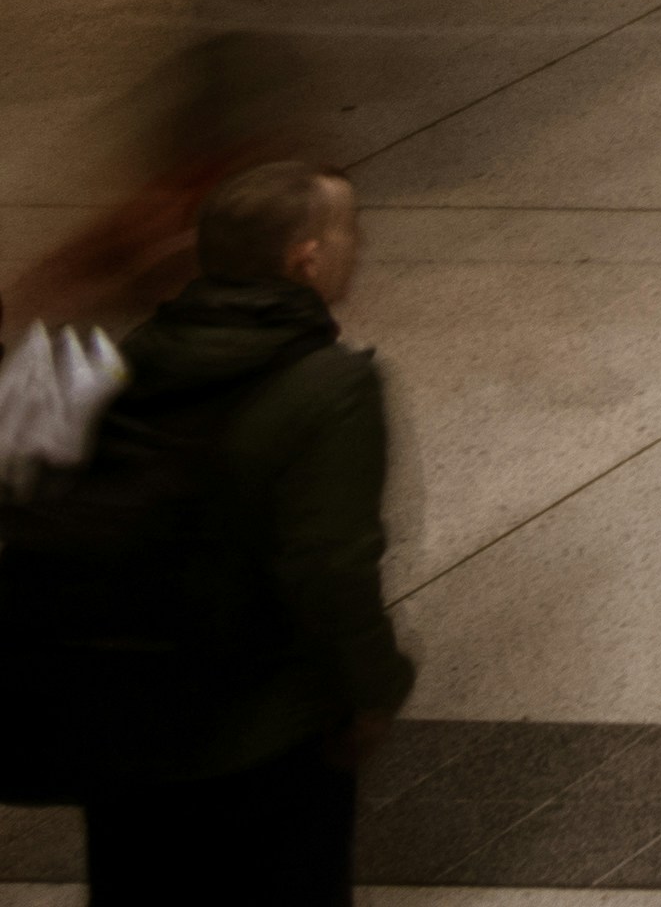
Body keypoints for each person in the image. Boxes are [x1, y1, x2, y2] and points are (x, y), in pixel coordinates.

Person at [53, 161, 407, 907]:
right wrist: (374, 688)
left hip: (124, 724)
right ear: (305, 258)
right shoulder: (331, 388)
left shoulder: (132, 357)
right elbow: (330, 569)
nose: (360, 245)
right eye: (349, 229)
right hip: (261, 735)